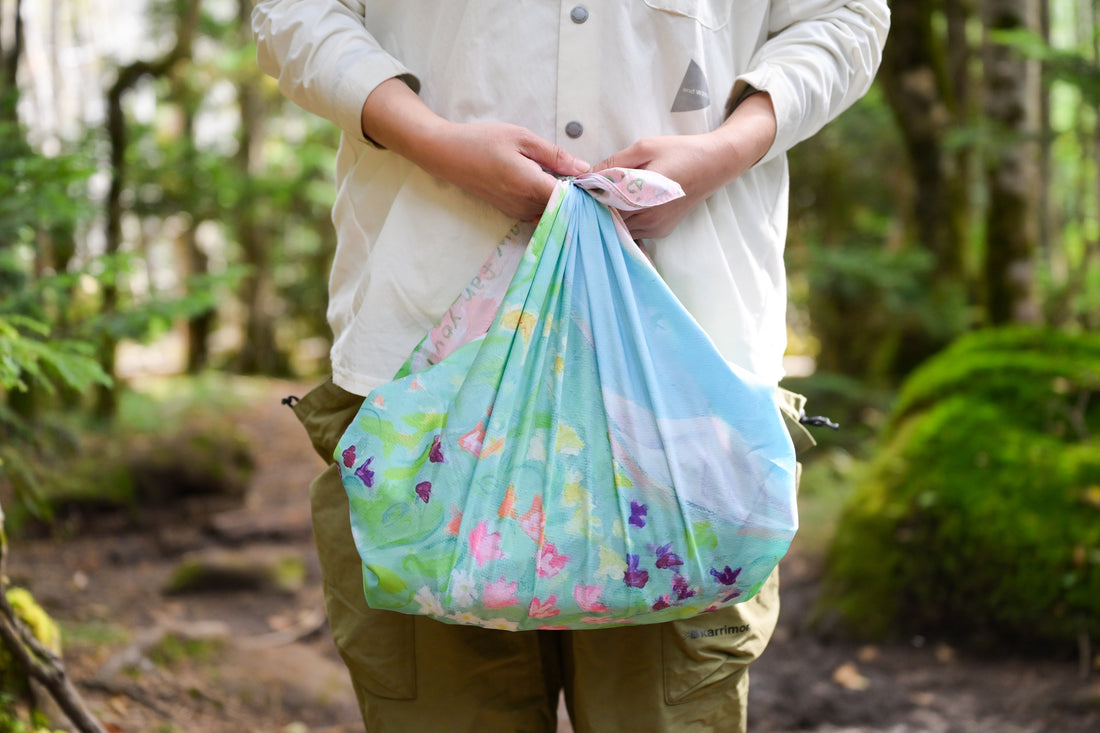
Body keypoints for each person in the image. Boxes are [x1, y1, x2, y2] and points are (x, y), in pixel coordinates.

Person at [252, 2, 889, 731]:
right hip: (423, 367)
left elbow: (845, 18)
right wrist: (433, 142)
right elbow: (292, 13)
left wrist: (728, 148)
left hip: (686, 380)